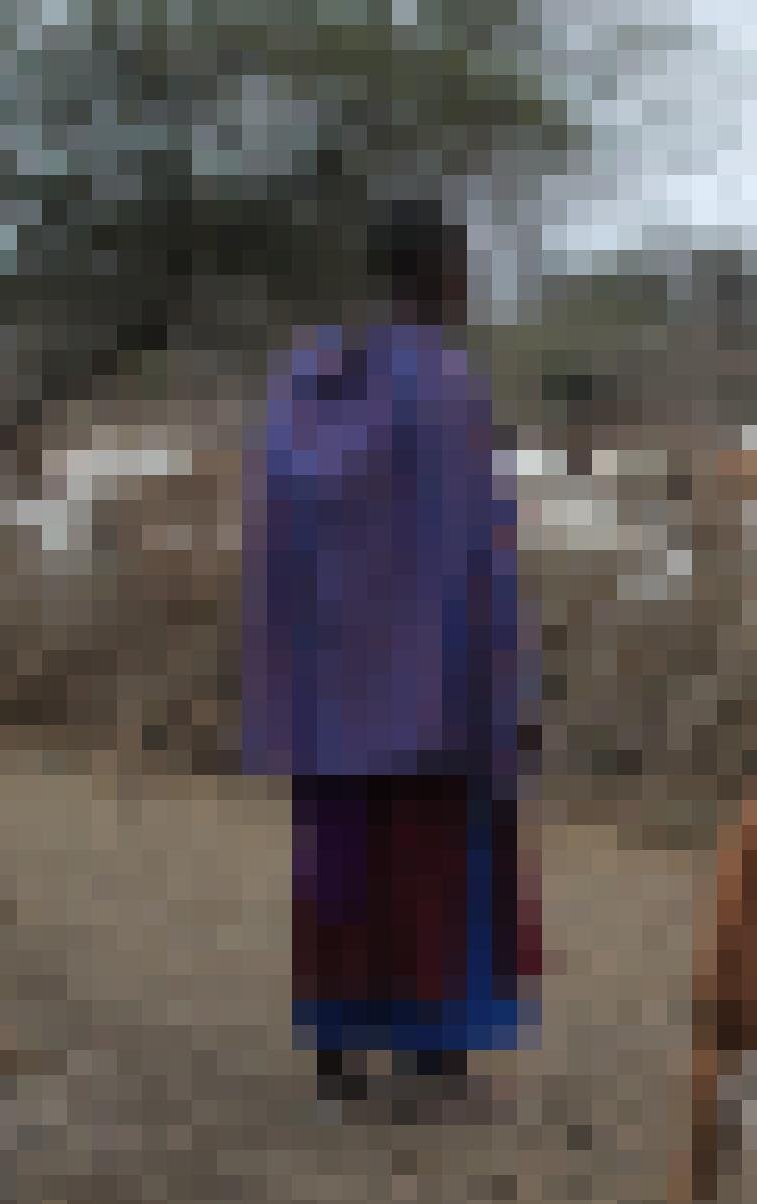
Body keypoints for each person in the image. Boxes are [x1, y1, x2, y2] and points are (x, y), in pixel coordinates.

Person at [244, 200, 540, 1108]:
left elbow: (283, 545)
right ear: (437, 276)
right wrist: (500, 678)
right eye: (460, 268)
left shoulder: (308, 389)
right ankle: (434, 1048)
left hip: (331, 688)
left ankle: (336, 1047)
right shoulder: (444, 392)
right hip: (435, 687)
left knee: (340, 854)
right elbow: (472, 550)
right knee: (431, 863)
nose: (467, 286)